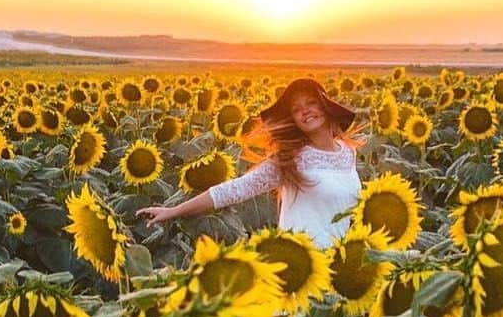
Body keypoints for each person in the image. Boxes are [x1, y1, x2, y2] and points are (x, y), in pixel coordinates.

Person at [137, 77, 361, 249]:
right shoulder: (291, 159)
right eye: (296, 109)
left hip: (340, 264)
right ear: (292, 120)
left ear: (326, 107)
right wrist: (173, 211)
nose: (305, 111)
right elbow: (235, 190)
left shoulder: (348, 154)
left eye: (312, 103)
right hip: (299, 265)